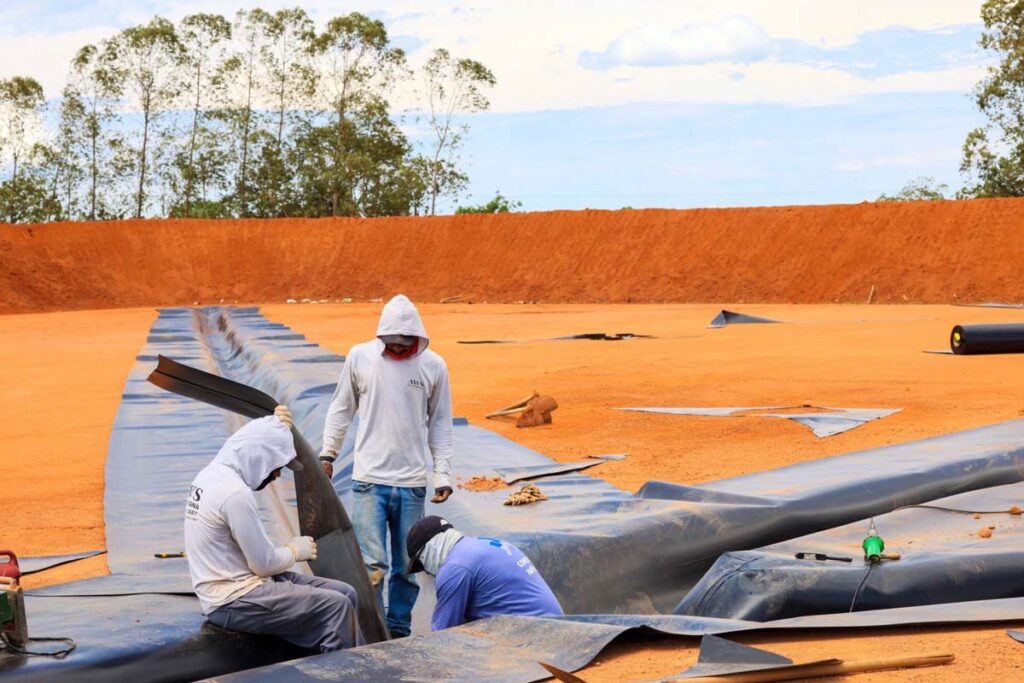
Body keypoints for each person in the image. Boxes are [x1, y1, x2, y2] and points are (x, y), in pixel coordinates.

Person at [320, 294, 454, 638]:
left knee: (407, 567)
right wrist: (328, 454)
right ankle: (374, 630)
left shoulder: (433, 366)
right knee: (371, 565)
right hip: (369, 482)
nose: (396, 349)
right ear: (382, 337)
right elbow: (341, 408)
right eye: (391, 343)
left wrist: (442, 473)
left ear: (416, 338)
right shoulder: (360, 357)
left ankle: (398, 630)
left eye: (403, 344)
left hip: (410, 484)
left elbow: (440, 423)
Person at [184, 411, 364, 652]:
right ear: (260, 458)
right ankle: (346, 674)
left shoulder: (211, 476)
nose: (277, 475)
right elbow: (264, 564)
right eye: (277, 466)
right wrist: (294, 550)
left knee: (346, 592)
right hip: (233, 599)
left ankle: (333, 659)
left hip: (243, 584)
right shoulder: (235, 494)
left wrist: (274, 423)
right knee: (336, 606)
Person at [406, 516, 564, 631]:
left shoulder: (455, 568)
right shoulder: (481, 544)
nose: (426, 571)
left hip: (534, 634)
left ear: (429, 549)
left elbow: (442, 633)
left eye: (421, 564)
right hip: (561, 627)